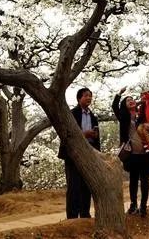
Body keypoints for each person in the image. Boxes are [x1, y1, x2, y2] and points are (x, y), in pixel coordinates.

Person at [113, 87, 149, 217]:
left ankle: (143, 206)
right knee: (133, 180)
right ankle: (133, 205)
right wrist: (119, 93)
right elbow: (115, 106)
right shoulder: (124, 117)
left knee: (145, 180)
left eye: (132, 99)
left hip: (145, 154)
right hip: (132, 155)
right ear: (124, 106)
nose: (131, 101)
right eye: (128, 100)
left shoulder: (141, 114)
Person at [57, 87, 100, 219]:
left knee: (87, 185)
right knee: (73, 185)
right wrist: (85, 134)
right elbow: (67, 134)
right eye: (86, 96)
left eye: (90, 96)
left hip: (89, 154)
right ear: (79, 98)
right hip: (73, 155)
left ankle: (85, 213)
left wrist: (95, 137)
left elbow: (96, 138)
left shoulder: (93, 117)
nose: (89, 98)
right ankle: (72, 216)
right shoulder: (71, 114)